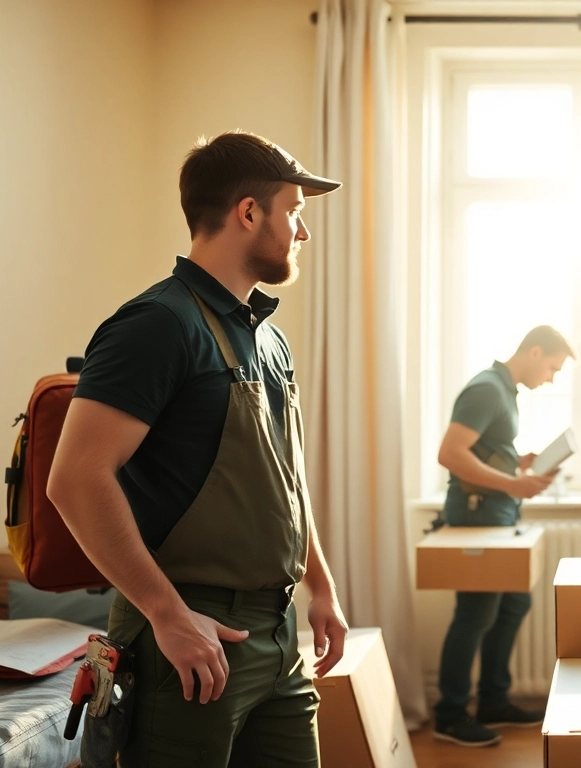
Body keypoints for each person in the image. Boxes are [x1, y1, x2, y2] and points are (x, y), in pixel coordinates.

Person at [48, 131, 349, 767]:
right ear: (249, 212)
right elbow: (75, 479)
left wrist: (320, 586)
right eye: (294, 211)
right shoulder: (158, 324)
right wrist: (168, 615)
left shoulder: (269, 339)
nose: (303, 232)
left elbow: (284, 481)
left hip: (278, 634)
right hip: (189, 637)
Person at [431, 325, 573, 747]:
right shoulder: (488, 389)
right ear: (534, 352)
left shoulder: (504, 391)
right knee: (475, 613)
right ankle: (450, 715)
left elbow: (481, 451)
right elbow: (450, 453)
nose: (552, 379)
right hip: (479, 515)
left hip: (497, 513)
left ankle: (493, 700)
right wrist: (514, 484)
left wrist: (520, 462)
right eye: (552, 368)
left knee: (514, 602)